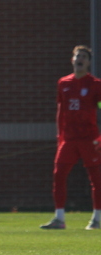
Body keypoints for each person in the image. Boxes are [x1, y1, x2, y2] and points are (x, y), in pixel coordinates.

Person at [40, 45, 101, 230]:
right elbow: (61, 111)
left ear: (88, 62)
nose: (79, 59)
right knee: (59, 175)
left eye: (83, 56)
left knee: (96, 178)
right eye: (77, 56)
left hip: (89, 137)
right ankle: (59, 218)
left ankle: (97, 218)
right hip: (69, 138)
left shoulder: (95, 85)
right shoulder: (64, 83)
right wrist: (60, 135)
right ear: (72, 60)